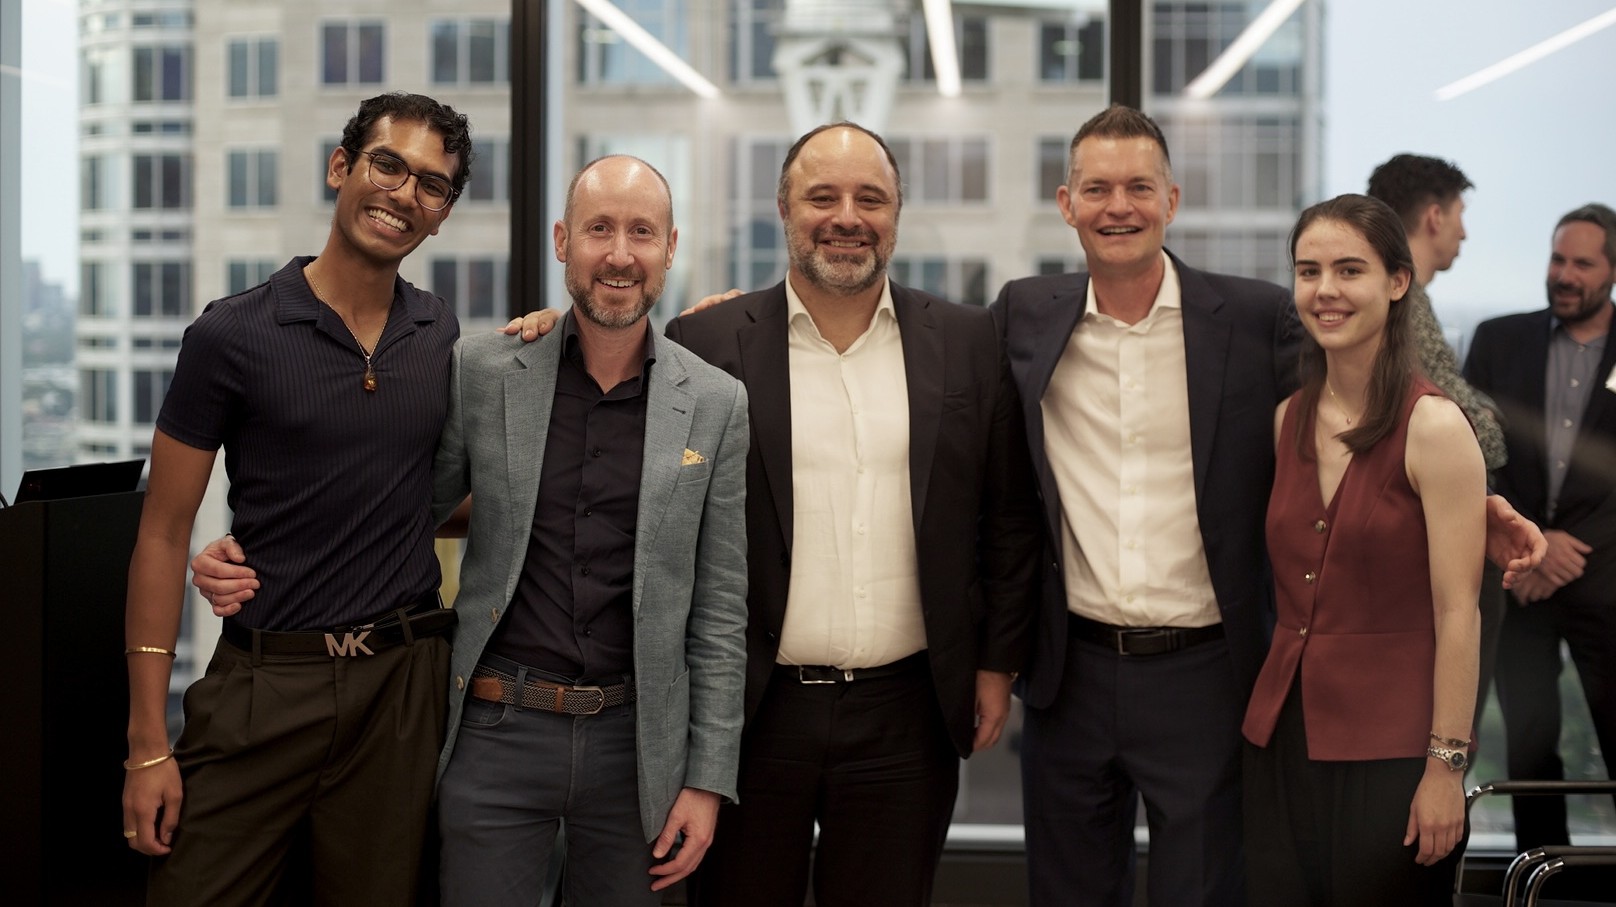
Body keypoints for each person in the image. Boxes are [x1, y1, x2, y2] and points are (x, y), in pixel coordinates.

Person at [991, 105, 1546, 907]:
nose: (1119, 206)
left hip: (1208, 675)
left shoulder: (1252, 319)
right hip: (1068, 672)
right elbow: (990, 468)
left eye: (1139, 186)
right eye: (1098, 188)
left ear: (1172, 200)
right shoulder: (1022, 315)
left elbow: (1366, 416)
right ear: (1066, 202)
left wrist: (1474, 499)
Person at [663, 122, 1042, 906]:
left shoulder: (968, 341)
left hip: (907, 713)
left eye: (870, 198)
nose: (846, 217)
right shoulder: (706, 342)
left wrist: (996, 664)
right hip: (749, 711)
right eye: (822, 197)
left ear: (897, 213)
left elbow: (1007, 517)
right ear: (783, 208)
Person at [121, 92, 474, 906]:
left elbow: (418, 499)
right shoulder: (231, 334)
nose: (403, 194)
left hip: (400, 693)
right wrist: (147, 744)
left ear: (443, 215)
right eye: (388, 165)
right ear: (341, 167)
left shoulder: (440, 334)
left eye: (431, 184)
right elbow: (163, 534)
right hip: (264, 683)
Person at [428, 154, 750, 905]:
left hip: (637, 749)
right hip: (497, 729)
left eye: (642, 232)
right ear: (562, 240)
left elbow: (720, 608)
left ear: (670, 248)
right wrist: (268, 549)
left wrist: (707, 778)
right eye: (599, 228)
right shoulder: (483, 371)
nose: (620, 254)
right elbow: (403, 513)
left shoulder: (715, 403)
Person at [1241, 193, 1485, 904]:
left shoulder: (1435, 426)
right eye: (1308, 271)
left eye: (1350, 270)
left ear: (1397, 281)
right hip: (1281, 740)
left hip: (1395, 753)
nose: (1326, 290)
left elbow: (1459, 612)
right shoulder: (1286, 419)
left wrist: (1446, 768)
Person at [1463, 202, 1616, 852]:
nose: (1564, 274)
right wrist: (1534, 542)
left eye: (1583, 263)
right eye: (1557, 259)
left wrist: (1574, 549)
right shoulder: (1498, 340)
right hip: (1520, 576)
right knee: (1528, 748)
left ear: (1612, 271)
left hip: (1605, 580)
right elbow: (1467, 453)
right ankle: (1543, 883)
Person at [1367, 154, 1508, 743]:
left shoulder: (1401, 306)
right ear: (1432, 216)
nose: (1464, 232)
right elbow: (1483, 437)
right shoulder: (1406, 309)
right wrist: (1486, 418)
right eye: (1458, 215)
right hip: (1428, 542)